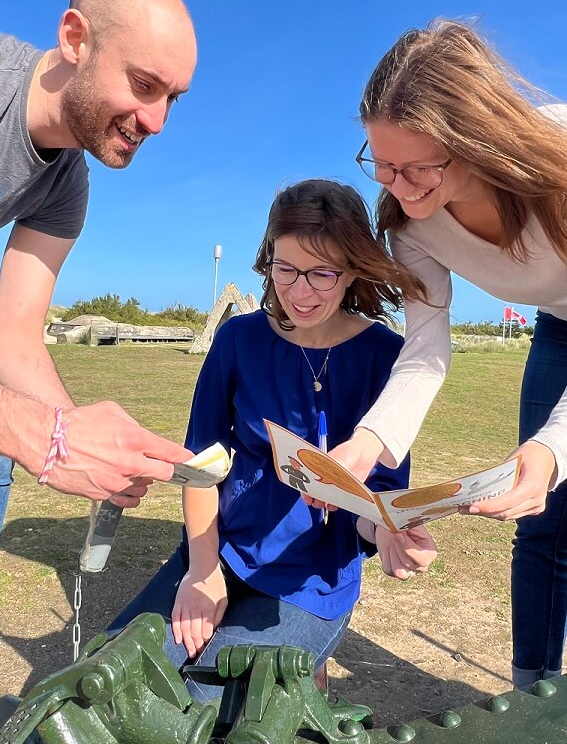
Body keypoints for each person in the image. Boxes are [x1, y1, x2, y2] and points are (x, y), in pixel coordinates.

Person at [0, 0, 197, 716]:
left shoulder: (65, 181)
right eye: (145, 84)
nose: (159, 121)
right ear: (75, 39)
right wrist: (39, 435)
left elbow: (12, 337)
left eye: (173, 98)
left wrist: (80, 442)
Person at [107, 179, 437, 701]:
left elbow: (377, 503)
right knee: (113, 679)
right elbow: (202, 463)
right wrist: (201, 571)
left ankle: (309, 668)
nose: (301, 292)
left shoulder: (386, 357)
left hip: (311, 584)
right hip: (225, 549)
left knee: (203, 701)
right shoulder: (239, 338)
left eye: (323, 273)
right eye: (285, 269)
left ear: (352, 269)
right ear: (268, 260)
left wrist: (392, 537)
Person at [333, 19, 567, 688]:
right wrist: (368, 444)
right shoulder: (411, 225)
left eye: (419, 167)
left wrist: (555, 443)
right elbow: (425, 351)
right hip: (559, 325)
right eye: (381, 163)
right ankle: (533, 695)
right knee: (542, 517)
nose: (399, 187)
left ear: (477, 142)